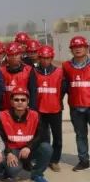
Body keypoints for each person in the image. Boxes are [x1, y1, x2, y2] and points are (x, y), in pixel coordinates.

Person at [0, 87, 53, 182]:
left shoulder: (35, 115)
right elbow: (0, 138)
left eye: (23, 100)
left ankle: (37, 175)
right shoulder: (2, 116)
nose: (20, 102)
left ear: (28, 101)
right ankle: (6, 170)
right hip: (12, 150)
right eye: (16, 100)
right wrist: (8, 153)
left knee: (47, 148)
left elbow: (40, 136)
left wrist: (28, 147)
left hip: (28, 149)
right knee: (13, 170)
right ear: (11, 102)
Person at [33, 45, 67, 172]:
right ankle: (44, 158)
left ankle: (54, 160)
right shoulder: (34, 72)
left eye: (47, 58)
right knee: (42, 137)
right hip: (39, 110)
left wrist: (56, 101)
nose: (45, 60)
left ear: (51, 58)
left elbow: (63, 89)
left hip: (55, 110)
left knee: (57, 138)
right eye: (42, 58)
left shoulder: (59, 72)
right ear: (39, 58)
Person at [61, 35, 90, 171]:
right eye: (75, 47)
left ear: (86, 48)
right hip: (75, 107)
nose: (78, 49)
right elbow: (63, 86)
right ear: (71, 50)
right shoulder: (66, 66)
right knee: (80, 135)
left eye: (80, 46)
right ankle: (84, 160)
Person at [0, 43, 37, 110]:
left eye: (16, 54)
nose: (14, 57)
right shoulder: (1, 71)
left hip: (24, 110)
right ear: (7, 56)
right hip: (6, 109)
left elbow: (33, 91)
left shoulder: (29, 70)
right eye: (11, 55)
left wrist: (31, 108)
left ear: (20, 55)